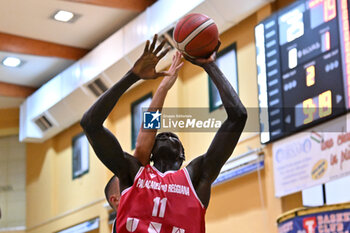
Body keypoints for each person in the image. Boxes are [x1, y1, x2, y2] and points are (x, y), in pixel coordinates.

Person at [81, 34, 247, 232]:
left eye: (173, 137)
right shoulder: (135, 174)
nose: (166, 135)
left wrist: (209, 64)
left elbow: (238, 116)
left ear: (183, 156)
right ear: (149, 155)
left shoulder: (195, 177)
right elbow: (91, 124)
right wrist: (132, 76)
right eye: (160, 136)